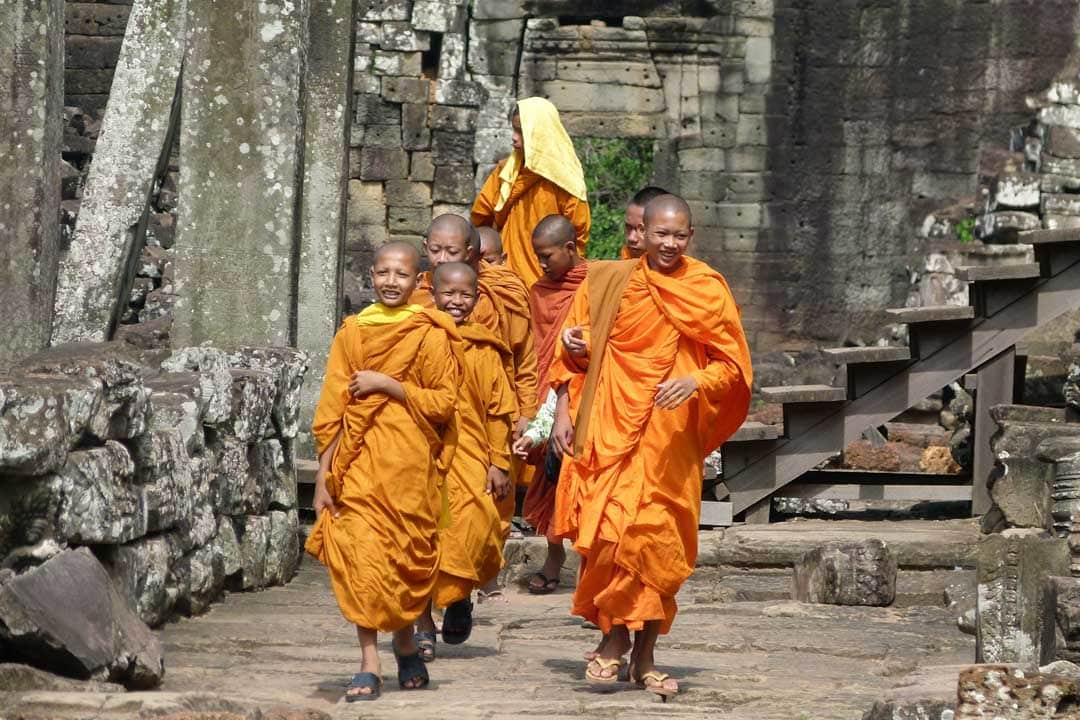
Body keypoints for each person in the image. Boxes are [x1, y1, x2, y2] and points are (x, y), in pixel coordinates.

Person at [550, 195, 753, 699]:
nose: (668, 244)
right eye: (659, 234)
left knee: (658, 544)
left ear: (691, 236)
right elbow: (575, 354)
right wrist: (577, 350)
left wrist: (695, 380)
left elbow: (732, 366)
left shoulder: (704, 288)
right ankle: (618, 642)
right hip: (612, 430)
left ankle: (640, 655)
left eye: (678, 235)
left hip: (670, 439)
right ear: (642, 232)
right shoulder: (611, 281)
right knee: (616, 537)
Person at [305, 241, 461, 701]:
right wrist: (322, 477)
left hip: (409, 469)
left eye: (401, 275)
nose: (391, 282)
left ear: (419, 282)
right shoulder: (352, 333)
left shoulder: (431, 332)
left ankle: (407, 640)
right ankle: (369, 661)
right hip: (357, 468)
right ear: (371, 277)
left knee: (405, 561)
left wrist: (389, 385)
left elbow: (444, 402)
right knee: (361, 562)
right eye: (383, 273)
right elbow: (333, 409)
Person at [412, 214, 539, 599]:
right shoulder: (415, 297)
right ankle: (431, 613)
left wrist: (525, 416)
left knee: (486, 514)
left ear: (472, 252)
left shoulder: (501, 294)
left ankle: (475, 580)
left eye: (452, 250)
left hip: (487, 422)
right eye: (435, 250)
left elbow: (523, 360)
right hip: (427, 429)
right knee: (428, 520)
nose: (441, 258)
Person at [413, 262, 516, 661]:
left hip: (472, 455)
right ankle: (423, 624)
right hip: (422, 452)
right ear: (433, 294)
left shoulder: (485, 347)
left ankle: (458, 595)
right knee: (421, 536)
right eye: (449, 294)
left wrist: (499, 462)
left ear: (478, 298)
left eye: (465, 295)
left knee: (477, 524)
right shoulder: (416, 337)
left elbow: (497, 410)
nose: (456, 302)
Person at [512, 215, 587, 595]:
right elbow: (532, 348)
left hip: (581, 391)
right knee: (551, 478)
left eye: (547, 256)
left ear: (571, 249)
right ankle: (554, 556)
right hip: (544, 394)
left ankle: (590, 565)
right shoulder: (540, 291)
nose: (541, 264)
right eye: (537, 256)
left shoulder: (594, 284)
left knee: (583, 480)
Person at [471, 97, 591, 288]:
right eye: (514, 129)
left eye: (521, 131)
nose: (514, 137)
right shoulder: (506, 172)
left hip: (551, 282)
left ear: (540, 134)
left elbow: (577, 239)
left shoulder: (567, 181)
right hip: (503, 281)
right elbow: (481, 218)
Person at [621, 186, 669, 259]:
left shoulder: (687, 270)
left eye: (642, 230)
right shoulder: (616, 267)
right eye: (628, 227)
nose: (631, 238)